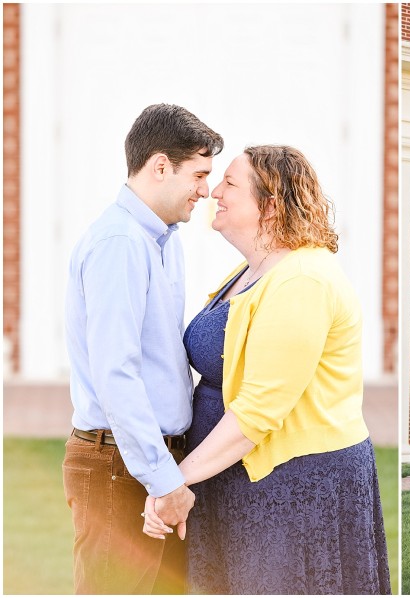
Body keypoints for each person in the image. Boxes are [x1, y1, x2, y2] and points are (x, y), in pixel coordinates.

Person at [142, 145, 392, 594]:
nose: (215, 190)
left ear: (271, 205)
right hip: (236, 480)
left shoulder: (303, 280)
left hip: (293, 490)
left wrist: (173, 480)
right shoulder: (253, 270)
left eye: (230, 184)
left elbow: (257, 411)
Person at [62, 104, 224, 594]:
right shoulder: (120, 242)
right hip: (119, 467)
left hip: (149, 462)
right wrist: (164, 483)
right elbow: (117, 374)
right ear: (159, 166)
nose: (206, 189)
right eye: (198, 174)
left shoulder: (163, 240)